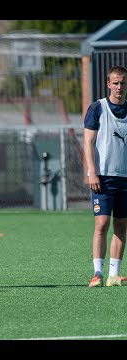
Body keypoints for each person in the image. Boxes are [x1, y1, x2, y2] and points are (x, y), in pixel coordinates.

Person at [84, 65, 127, 288]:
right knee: (102, 223)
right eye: (116, 83)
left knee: (121, 225)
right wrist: (92, 172)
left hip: (125, 178)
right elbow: (88, 142)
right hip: (103, 176)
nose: (119, 87)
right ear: (108, 84)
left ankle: (114, 275)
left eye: (123, 83)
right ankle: (97, 273)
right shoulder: (97, 108)